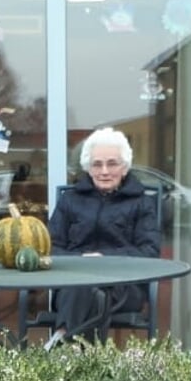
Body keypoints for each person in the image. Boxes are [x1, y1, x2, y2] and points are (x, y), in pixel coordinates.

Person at [46, 127, 162, 344]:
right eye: (97, 164)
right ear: (88, 169)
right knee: (90, 293)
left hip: (123, 286)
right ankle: (85, 359)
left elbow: (149, 251)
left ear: (124, 168)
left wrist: (104, 259)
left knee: (90, 291)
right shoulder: (70, 200)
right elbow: (50, 247)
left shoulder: (141, 203)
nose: (104, 171)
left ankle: (62, 339)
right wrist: (81, 262)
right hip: (73, 283)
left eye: (112, 163)